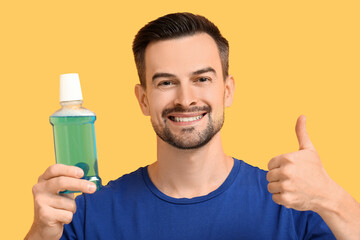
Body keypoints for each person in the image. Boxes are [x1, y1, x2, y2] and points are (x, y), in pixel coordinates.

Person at [26, 12, 360, 240]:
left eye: (201, 79)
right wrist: (39, 232)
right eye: (166, 83)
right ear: (143, 99)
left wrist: (331, 197)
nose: (186, 99)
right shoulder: (87, 214)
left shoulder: (294, 204)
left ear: (227, 90)